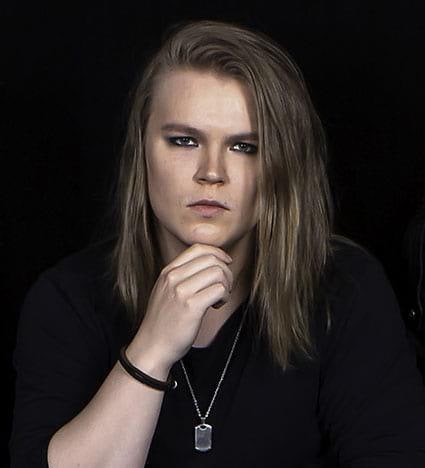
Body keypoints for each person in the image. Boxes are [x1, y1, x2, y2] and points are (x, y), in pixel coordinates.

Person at [9, 19, 425, 467]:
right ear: (142, 151)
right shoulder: (70, 298)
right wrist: (151, 350)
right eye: (184, 140)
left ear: (282, 165)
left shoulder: (345, 290)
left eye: (244, 147)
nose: (212, 172)